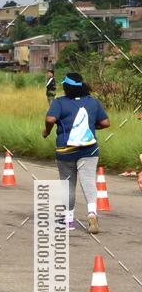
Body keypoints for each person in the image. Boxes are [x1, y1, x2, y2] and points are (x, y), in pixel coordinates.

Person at [42, 72, 109, 234]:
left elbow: (50, 119)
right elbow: (105, 123)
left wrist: (46, 132)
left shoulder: (59, 102)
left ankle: (69, 220)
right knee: (88, 182)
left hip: (66, 151)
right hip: (89, 150)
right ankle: (92, 213)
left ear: (66, 87)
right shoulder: (93, 102)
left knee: (68, 185)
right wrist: (91, 127)